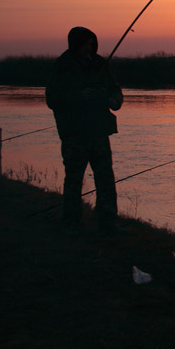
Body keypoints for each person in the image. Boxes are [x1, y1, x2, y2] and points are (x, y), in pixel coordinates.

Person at [45, 26, 124, 234]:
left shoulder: (100, 64)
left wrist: (115, 99)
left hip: (99, 131)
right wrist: (80, 96)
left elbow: (115, 88)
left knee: (105, 177)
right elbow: (52, 99)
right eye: (87, 43)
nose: (91, 46)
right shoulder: (63, 66)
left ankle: (108, 222)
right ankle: (71, 222)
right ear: (77, 44)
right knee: (74, 178)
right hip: (75, 133)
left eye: (92, 42)